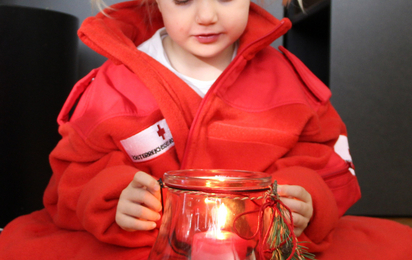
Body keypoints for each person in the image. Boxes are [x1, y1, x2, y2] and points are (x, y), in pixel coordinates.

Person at [0, 0, 411, 259]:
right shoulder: (114, 84)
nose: (208, 15)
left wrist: (306, 199)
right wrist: (111, 199)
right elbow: (71, 172)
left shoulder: (287, 79)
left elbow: (327, 158)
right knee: (20, 244)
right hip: (148, 245)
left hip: (261, 247)